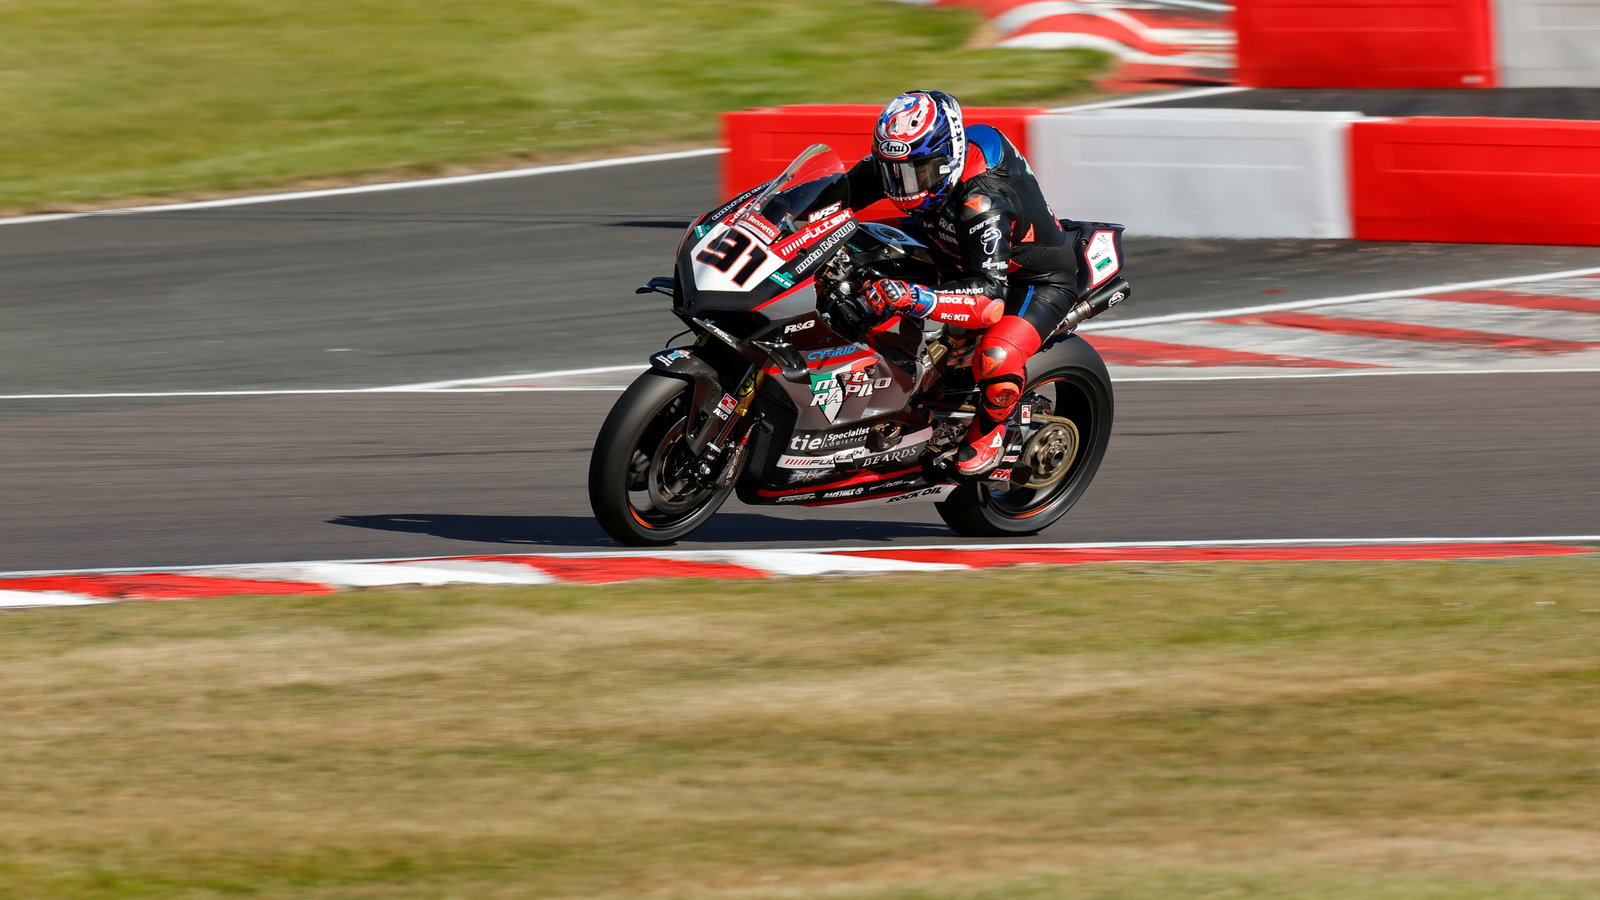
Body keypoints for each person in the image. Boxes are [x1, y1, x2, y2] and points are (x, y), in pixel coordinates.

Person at [844, 90, 1081, 477]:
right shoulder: (911, 155)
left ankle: (990, 430)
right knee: (854, 247)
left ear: (946, 159)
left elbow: (989, 299)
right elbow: (835, 195)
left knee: (996, 357)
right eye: (893, 172)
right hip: (951, 250)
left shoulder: (983, 199)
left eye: (916, 172)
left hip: (1029, 282)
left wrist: (914, 296)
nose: (902, 187)